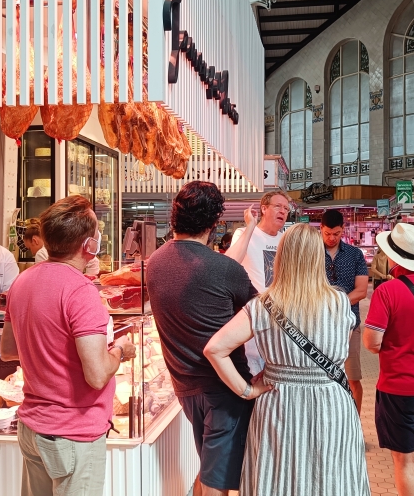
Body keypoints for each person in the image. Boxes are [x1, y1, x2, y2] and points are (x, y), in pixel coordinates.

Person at [204, 223, 370, 496]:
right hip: (331, 401)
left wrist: (246, 390)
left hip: (279, 400)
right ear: (318, 257)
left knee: (277, 475)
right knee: (331, 476)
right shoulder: (340, 302)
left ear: (282, 257)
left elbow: (215, 349)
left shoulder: (263, 304)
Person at [0, 195, 137, 496]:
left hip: (33, 429)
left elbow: (8, 351)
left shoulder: (21, 283)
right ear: (89, 245)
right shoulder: (81, 291)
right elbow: (97, 374)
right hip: (72, 434)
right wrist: (120, 350)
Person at [146, 182, 258, 496]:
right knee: (217, 484)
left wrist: (248, 230)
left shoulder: (154, 263)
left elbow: (217, 267)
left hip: (185, 386)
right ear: (214, 222)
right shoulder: (222, 270)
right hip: (225, 390)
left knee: (209, 469)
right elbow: (263, 314)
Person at [363, 223, 414, 496]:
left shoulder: (387, 292)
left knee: (405, 459)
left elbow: (371, 341)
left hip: (399, 388)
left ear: (394, 257)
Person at [225, 190, 290, 374]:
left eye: (286, 208)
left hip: (280, 318)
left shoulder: (285, 239)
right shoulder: (244, 233)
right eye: (278, 206)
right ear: (264, 208)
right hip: (252, 316)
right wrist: (250, 227)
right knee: (251, 370)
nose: (283, 211)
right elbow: (229, 263)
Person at [320, 209, 369, 413]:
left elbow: (361, 291)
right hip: (319, 324)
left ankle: (355, 426)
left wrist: (335, 303)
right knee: (322, 376)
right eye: (327, 233)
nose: (332, 238)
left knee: (352, 377)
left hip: (349, 325)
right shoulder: (311, 253)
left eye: (337, 233)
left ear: (343, 230)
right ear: (321, 229)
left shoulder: (355, 254)